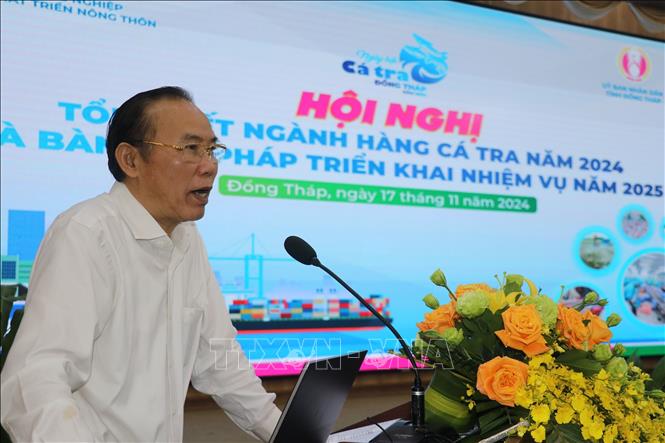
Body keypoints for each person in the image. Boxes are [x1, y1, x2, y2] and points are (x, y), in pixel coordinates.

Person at [0, 87, 281, 442]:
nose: (209, 165)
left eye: (211, 150)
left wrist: (288, 433)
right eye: (190, 149)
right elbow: (33, 382)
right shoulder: (86, 233)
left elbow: (219, 357)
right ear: (130, 160)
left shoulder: (186, 238)